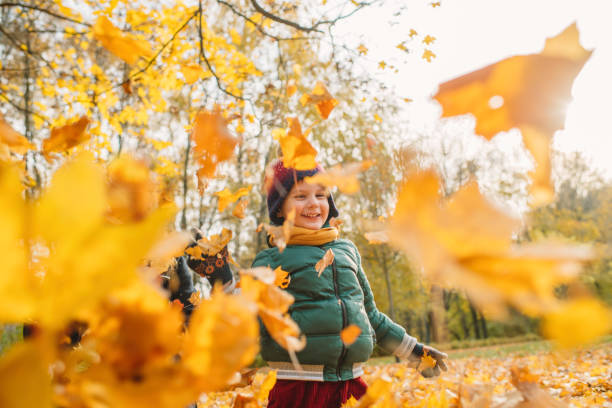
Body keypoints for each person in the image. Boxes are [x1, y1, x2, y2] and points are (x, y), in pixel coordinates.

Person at [251, 159, 448, 408]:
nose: (313, 203)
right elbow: (250, 320)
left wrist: (413, 350)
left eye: (321, 195)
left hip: (351, 384)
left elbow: (371, 316)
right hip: (299, 388)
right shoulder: (270, 260)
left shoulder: (346, 251)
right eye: (300, 196)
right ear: (280, 209)